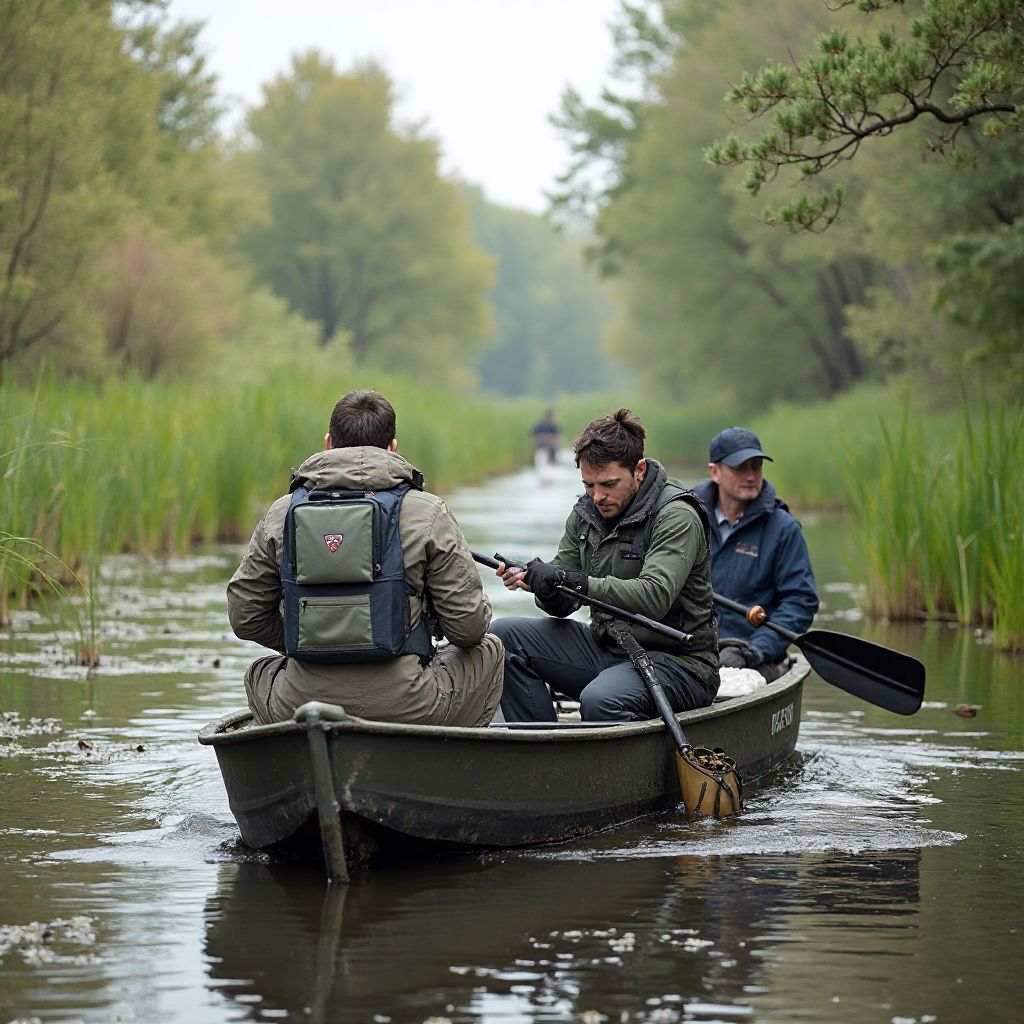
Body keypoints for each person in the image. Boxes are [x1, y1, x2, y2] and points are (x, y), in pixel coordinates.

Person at [227, 389, 503, 726]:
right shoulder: (429, 512)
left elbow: (245, 616)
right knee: (490, 649)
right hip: (411, 705)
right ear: (392, 448)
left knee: (259, 671)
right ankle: (450, 750)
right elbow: (468, 629)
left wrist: (308, 634)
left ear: (329, 443)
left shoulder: (281, 513)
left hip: (299, 702)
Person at [491, 408, 719, 723]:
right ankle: (540, 745)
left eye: (609, 484)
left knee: (601, 699)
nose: (597, 497)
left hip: (679, 664)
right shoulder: (586, 513)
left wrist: (576, 582)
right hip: (608, 649)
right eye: (589, 485)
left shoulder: (676, 515)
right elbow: (563, 603)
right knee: (502, 637)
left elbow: (655, 595)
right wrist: (542, 584)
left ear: (639, 470)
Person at [692, 427, 819, 682]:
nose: (750, 476)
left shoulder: (783, 529)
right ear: (714, 472)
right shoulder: (687, 518)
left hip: (754, 660)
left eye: (756, 466)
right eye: (740, 468)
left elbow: (799, 602)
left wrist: (753, 650)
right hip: (690, 653)